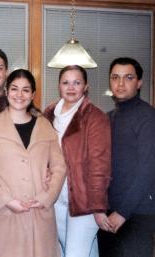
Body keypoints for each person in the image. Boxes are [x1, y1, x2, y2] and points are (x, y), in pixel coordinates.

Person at [0, 69, 66, 257]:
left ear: (33, 94)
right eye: (14, 89)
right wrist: (7, 201)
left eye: (26, 90)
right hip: (4, 212)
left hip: (39, 211)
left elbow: (59, 166)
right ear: (6, 91)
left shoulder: (45, 126)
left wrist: (46, 197)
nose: (19, 95)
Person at [44, 65, 111, 257]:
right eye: (66, 82)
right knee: (75, 251)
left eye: (77, 82)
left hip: (84, 202)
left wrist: (98, 207)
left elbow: (100, 165)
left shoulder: (95, 117)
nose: (71, 87)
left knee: (75, 253)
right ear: (59, 86)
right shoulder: (48, 114)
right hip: (56, 198)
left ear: (86, 86)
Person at [98, 57, 155, 257]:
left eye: (128, 77)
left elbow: (148, 170)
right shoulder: (108, 118)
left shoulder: (148, 117)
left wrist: (122, 213)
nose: (120, 83)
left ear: (139, 83)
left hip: (137, 213)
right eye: (115, 77)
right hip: (108, 214)